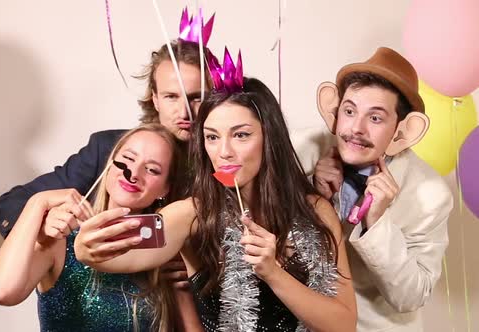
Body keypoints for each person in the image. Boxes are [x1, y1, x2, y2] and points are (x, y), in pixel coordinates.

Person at [74, 53, 357, 331]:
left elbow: (344, 324)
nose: (224, 152)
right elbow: (124, 252)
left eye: (241, 135)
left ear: (269, 137)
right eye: (212, 137)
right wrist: (85, 248)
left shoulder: (315, 211)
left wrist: (273, 273)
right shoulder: (193, 214)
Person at [296, 47, 453, 331]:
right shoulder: (304, 149)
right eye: (349, 111)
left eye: (376, 118)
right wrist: (314, 195)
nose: (356, 128)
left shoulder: (430, 194)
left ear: (401, 132)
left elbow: (411, 296)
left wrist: (378, 223)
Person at [0, 124, 185, 331]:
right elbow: (2, 292)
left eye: (152, 169)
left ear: (165, 188)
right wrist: (37, 203)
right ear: (110, 163)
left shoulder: (164, 253)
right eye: (127, 159)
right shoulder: (62, 238)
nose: (133, 174)